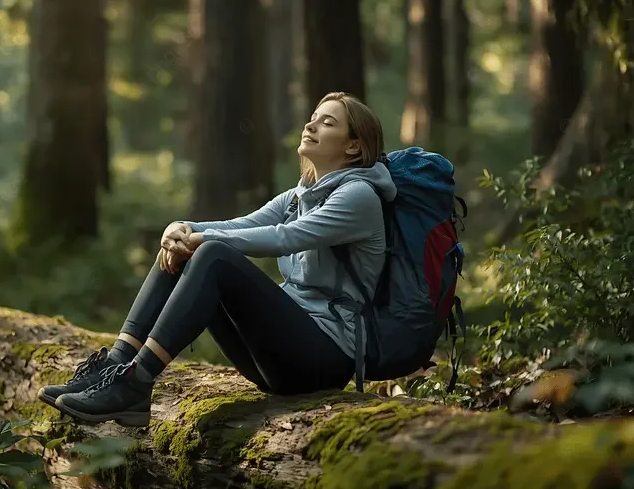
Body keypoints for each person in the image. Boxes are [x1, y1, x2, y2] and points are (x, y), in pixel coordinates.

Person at [37, 91, 397, 427]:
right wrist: (182, 228)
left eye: (327, 122)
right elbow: (239, 225)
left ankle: (136, 382)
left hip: (323, 360)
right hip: (279, 355)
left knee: (212, 253)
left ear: (353, 146)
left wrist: (201, 239)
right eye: (313, 117)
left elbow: (284, 237)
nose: (311, 125)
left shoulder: (358, 197)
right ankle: (114, 367)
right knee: (184, 249)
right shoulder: (298, 197)